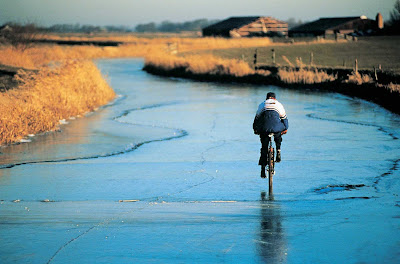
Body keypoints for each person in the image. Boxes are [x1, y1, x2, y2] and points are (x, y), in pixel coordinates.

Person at [253, 92, 288, 178]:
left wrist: (255, 129)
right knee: (278, 132)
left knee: (264, 147)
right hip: (276, 129)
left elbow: (257, 119)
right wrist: (285, 129)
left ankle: (262, 169)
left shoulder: (262, 104)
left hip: (264, 129)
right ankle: (278, 150)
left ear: (267, 98)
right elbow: (285, 120)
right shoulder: (279, 104)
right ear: (274, 98)